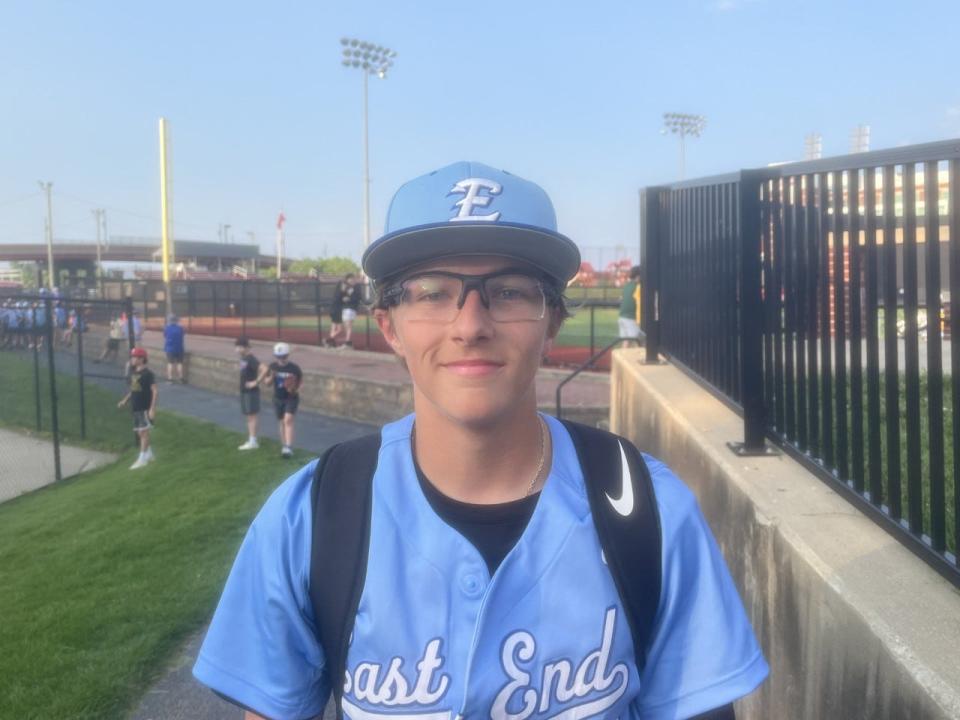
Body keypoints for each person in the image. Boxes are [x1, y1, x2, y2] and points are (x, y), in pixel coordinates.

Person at [194, 162, 768, 720]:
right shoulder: (311, 517)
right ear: (390, 326)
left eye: (510, 291)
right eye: (431, 292)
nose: (470, 325)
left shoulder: (649, 511)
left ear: (552, 323)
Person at [117, 346, 158, 470]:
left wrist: (152, 408)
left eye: (135, 357)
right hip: (135, 407)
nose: (132, 359)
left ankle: (142, 459)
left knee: (143, 432)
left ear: (142, 359)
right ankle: (149, 454)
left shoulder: (148, 374)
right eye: (132, 357)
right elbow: (134, 389)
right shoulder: (135, 373)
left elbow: (155, 391)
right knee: (141, 433)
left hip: (144, 407)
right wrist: (125, 400)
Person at [262, 342, 301, 458]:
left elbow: (299, 386)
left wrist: (292, 388)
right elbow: (267, 383)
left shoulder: (294, 369)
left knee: (288, 419)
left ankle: (289, 447)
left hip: (291, 398)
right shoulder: (273, 367)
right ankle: (284, 445)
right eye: (279, 357)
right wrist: (272, 377)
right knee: (281, 422)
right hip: (278, 398)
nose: (281, 359)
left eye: (283, 356)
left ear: (288, 355)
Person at [234, 337, 262, 451]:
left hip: (251, 392)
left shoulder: (251, 359)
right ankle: (251, 439)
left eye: (238, 347)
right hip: (245, 391)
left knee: (252, 417)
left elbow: (264, 368)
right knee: (249, 417)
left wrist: (256, 382)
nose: (236, 349)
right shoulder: (244, 358)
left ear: (244, 347)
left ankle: (253, 441)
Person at [618, 265, 643, 342]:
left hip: (621, 317)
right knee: (636, 342)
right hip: (631, 319)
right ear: (638, 276)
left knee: (626, 342)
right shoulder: (638, 286)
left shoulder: (627, 285)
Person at [163, 314, 186, 383]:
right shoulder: (180, 328)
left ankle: (170, 379)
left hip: (170, 348)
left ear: (169, 320)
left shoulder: (166, 328)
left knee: (170, 363)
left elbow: (165, 336)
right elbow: (183, 334)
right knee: (180, 363)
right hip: (179, 348)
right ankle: (181, 378)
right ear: (176, 320)